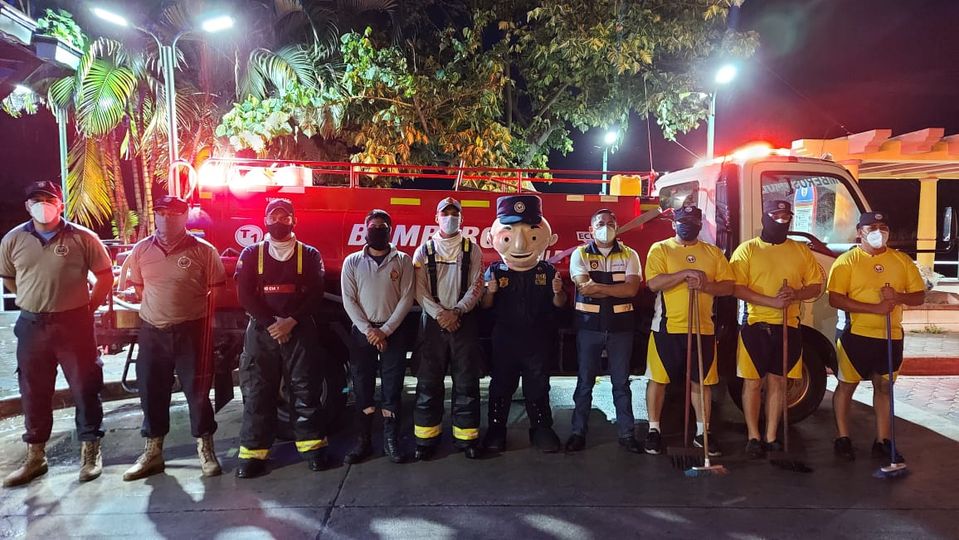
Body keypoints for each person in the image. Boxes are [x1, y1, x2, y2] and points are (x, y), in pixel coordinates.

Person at [0, 181, 112, 486]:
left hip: (73, 325)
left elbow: (105, 277)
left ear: (61, 205)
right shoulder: (13, 239)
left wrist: (89, 307)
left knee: (85, 387)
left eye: (49, 199)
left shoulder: (82, 237)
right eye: (35, 200)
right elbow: (9, 277)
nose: (42, 205)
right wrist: (30, 300)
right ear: (27, 206)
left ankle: (90, 453)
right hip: (32, 326)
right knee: (33, 390)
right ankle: (35, 456)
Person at [120, 195, 227, 480]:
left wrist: (191, 313)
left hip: (191, 332)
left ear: (185, 216)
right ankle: (153, 452)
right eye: (161, 212)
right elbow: (140, 288)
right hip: (152, 332)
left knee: (198, 393)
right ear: (155, 215)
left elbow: (217, 290)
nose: (167, 218)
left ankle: (206, 450)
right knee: (151, 391)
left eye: (173, 213)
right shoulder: (141, 250)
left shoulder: (204, 250)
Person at [233, 198, 328, 478]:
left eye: (284, 217)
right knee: (258, 392)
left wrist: (291, 321)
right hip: (262, 333)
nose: (278, 221)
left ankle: (313, 449)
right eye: (273, 216)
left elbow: (315, 293)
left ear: (294, 221)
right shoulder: (251, 253)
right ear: (265, 220)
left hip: (299, 330)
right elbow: (245, 295)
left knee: (306, 390)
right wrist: (272, 324)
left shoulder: (309, 254)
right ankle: (253, 454)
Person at [827, 211, 925, 462]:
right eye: (872, 228)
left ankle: (883, 441)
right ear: (859, 232)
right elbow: (835, 298)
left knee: (884, 386)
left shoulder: (901, 261)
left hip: (891, 335)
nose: (878, 232)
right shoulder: (846, 262)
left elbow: (918, 296)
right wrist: (875, 308)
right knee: (847, 385)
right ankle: (842, 437)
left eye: (883, 227)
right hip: (854, 335)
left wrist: (898, 297)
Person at [730, 199, 823, 459]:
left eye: (786, 217)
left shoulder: (801, 251)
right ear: (765, 218)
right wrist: (771, 302)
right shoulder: (747, 250)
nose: (781, 221)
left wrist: (796, 294)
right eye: (776, 216)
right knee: (752, 382)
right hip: (755, 324)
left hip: (788, 325)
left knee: (778, 382)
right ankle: (753, 436)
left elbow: (815, 286)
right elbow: (736, 288)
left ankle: (771, 436)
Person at [643, 206, 735, 455]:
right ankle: (654, 430)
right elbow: (653, 283)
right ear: (674, 224)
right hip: (666, 327)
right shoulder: (660, 249)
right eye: (683, 221)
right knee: (658, 380)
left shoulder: (713, 252)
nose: (688, 226)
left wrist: (705, 285)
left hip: (702, 328)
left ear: (700, 224)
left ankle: (702, 432)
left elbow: (728, 286)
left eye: (693, 221)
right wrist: (685, 274)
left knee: (701, 382)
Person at [481, 195, 566, 454]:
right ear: (492, 239)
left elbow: (560, 304)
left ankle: (541, 428)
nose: (519, 244)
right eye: (508, 237)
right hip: (505, 339)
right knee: (501, 385)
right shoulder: (495, 270)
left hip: (537, 338)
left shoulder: (547, 271)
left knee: (538, 385)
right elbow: (485, 306)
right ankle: (496, 429)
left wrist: (558, 291)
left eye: (532, 236)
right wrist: (490, 292)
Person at [412, 197, 485, 460]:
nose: (450, 217)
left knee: (466, 382)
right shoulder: (424, 251)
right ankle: (426, 440)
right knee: (428, 382)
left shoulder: (472, 249)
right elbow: (418, 289)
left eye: (455, 213)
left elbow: (477, 285)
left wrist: (457, 311)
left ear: (462, 219)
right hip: (433, 323)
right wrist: (440, 314)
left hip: (463, 321)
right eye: (446, 213)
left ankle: (467, 439)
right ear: (437, 218)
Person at [341, 209, 415, 464]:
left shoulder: (403, 260)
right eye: (373, 227)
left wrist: (385, 331)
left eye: (382, 227)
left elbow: (407, 298)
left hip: (393, 332)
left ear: (390, 230)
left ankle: (391, 440)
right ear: (365, 230)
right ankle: (363, 441)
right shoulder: (352, 262)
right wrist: (369, 330)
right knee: (363, 389)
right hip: (363, 334)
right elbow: (349, 300)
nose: (377, 231)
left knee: (392, 389)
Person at [566, 208, 643, 453]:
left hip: (621, 328)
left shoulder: (630, 254)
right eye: (600, 223)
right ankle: (578, 433)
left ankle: (627, 434)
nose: (606, 227)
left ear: (617, 227)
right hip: (589, 327)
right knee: (584, 382)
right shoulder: (580, 254)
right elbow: (584, 288)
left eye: (611, 222)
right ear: (591, 229)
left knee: (621, 383)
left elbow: (631, 290)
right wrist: (615, 289)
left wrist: (598, 287)